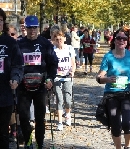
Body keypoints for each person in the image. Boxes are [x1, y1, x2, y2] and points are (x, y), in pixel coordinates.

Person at [17, 15, 58, 149]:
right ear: (26, 28)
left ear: (38, 28)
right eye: (29, 28)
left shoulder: (45, 44)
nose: (32, 30)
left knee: (40, 118)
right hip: (23, 87)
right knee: (23, 117)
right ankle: (28, 141)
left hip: (41, 86)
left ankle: (40, 143)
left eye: (34, 28)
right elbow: (14, 64)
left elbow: (53, 63)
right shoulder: (19, 44)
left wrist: (50, 79)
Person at [96, 30, 130, 149]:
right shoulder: (108, 57)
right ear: (114, 40)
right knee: (115, 124)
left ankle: (127, 146)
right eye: (119, 38)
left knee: (128, 122)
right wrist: (108, 79)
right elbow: (99, 77)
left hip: (127, 93)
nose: (121, 40)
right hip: (111, 94)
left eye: (124, 39)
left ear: (127, 42)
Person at [0, 8, 24, 149]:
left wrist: (15, 78)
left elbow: (18, 65)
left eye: (1, 20)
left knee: (3, 132)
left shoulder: (10, 42)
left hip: (5, 94)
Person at [53, 30, 76, 131]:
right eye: (57, 40)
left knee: (68, 99)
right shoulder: (53, 50)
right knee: (59, 98)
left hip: (67, 76)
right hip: (57, 77)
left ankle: (67, 114)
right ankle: (59, 122)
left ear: (64, 39)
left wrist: (73, 71)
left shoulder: (69, 48)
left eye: (60, 39)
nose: (59, 41)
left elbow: (73, 63)